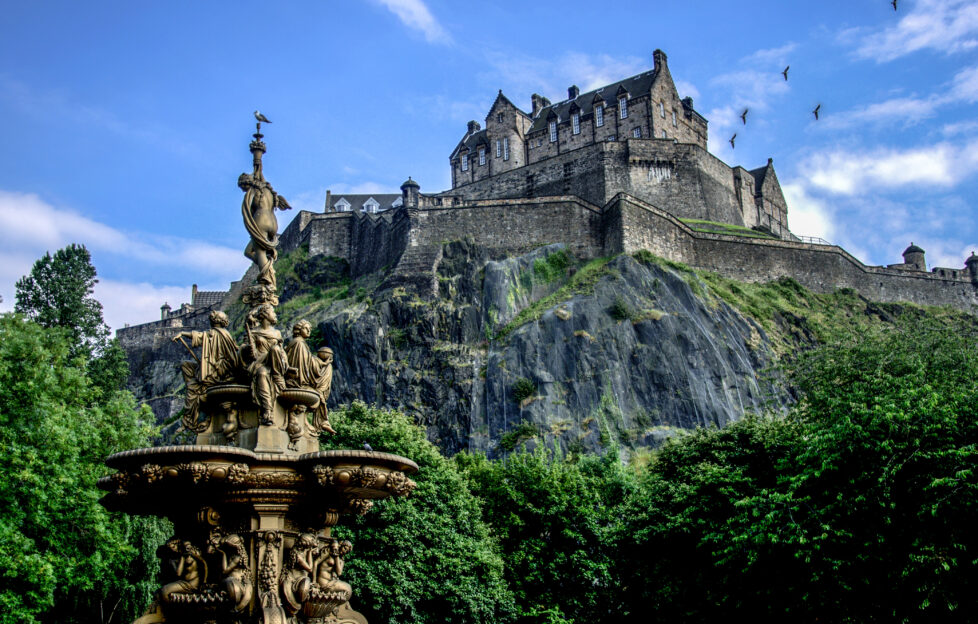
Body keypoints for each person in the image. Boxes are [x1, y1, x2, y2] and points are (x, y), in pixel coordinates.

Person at [173, 311, 239, 433]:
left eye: (212, 319)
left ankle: (189, 422)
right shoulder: (219, 334)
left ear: (215, 321)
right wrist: (182, 333)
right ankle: (197, 383)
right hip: (212, 369)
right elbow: (199, 336)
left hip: (216, 372)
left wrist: (182, 333)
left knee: (192, 390)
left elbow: (199, 336)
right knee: (186, 365)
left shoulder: (216, 334)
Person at [243, 304, 289, 425]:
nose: (275, 315)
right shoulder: (253, 332)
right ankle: (267, 411)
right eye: (272, 312)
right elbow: (243, 351)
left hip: (275, 364)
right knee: (262, 374)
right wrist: (248, 348)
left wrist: (286, 365)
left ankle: (278, 376)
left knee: (275, 349)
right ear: (264, 315)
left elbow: (281, 351)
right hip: (260, 363)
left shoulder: (277, 333)